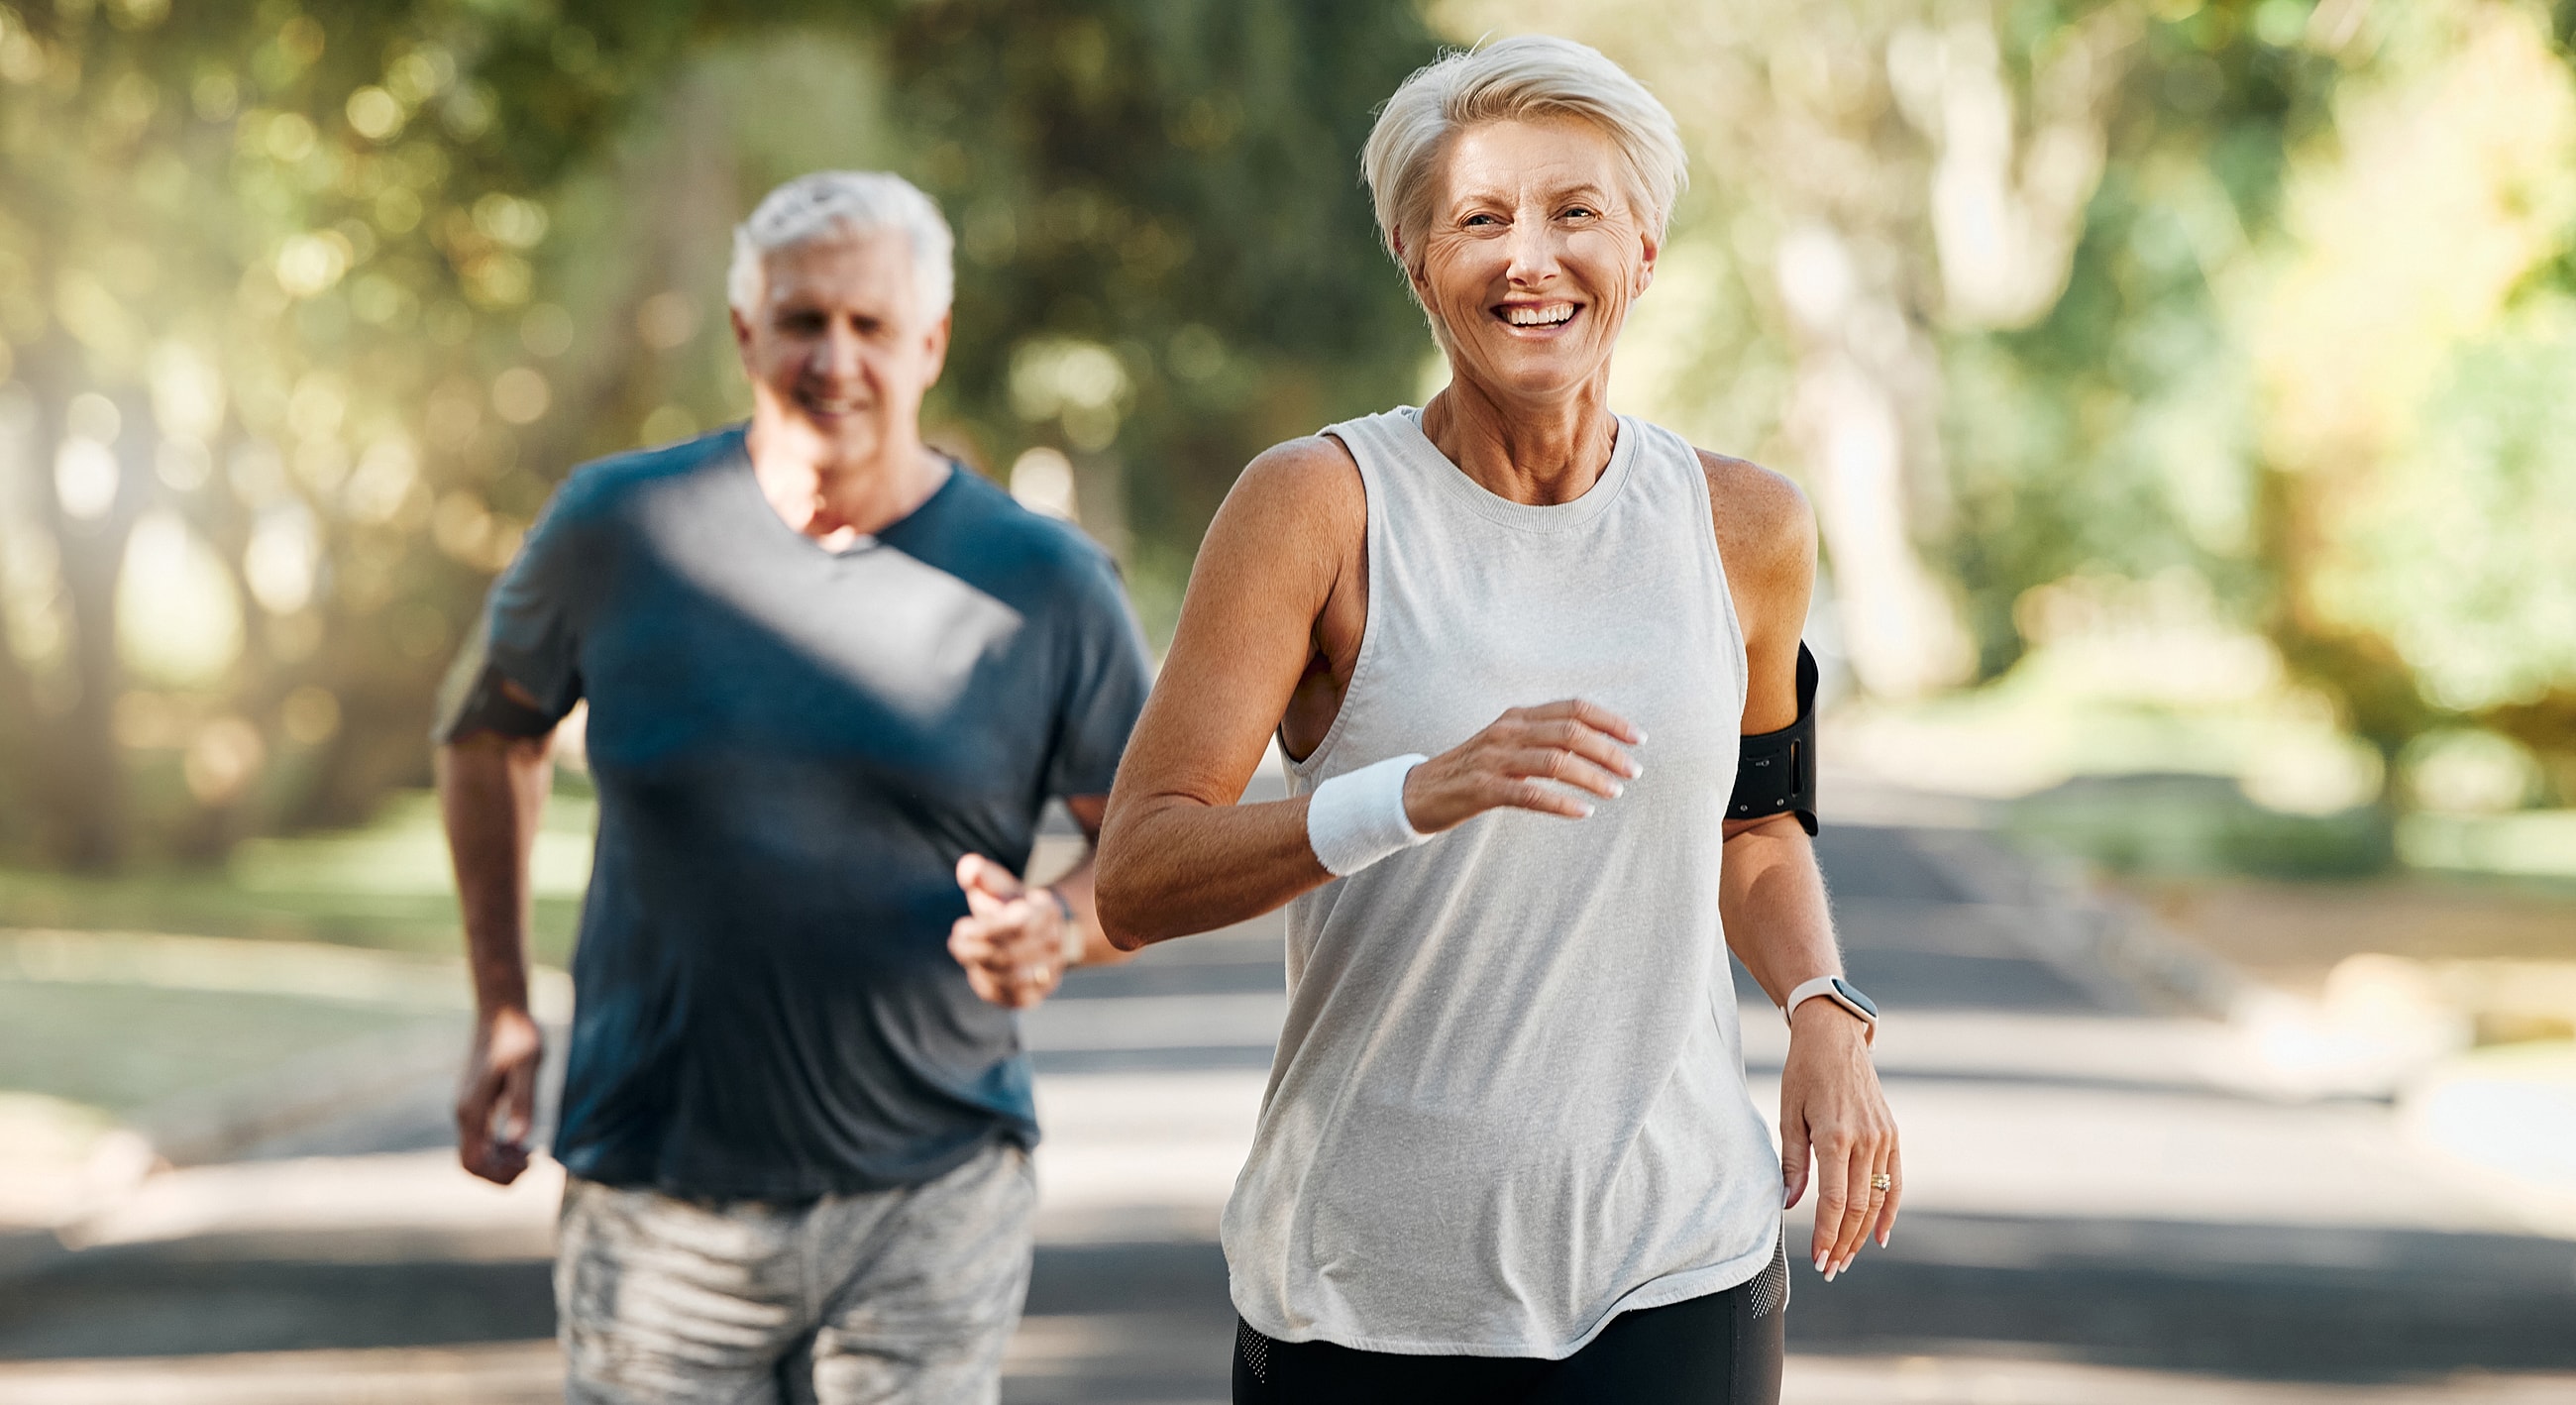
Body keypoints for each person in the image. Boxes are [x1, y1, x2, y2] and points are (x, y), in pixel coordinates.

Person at [1092, 37, 1900, 1404]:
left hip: (1678, 1260)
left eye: (1574, 211)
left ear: (1643, 250)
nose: (1531, 258)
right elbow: (1140, 870)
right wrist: (1410, 793)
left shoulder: (1747, 526)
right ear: (1416, 262)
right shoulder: (1317, 506)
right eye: (1480, 219)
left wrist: (1823, 1002)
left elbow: (1757, 820)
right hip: (1370, 1285)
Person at [435, 170, 1153, 1405]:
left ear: (929, 341)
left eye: (870, 326)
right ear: (743, 332)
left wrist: (1061, 927)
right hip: (656, 1203)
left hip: (930, 1194)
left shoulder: (1047, 584)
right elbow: (486, 736)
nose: (834, 359)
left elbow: (1149, 848)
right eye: (802, 320)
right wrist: (502, 1000)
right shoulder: (618, 527)